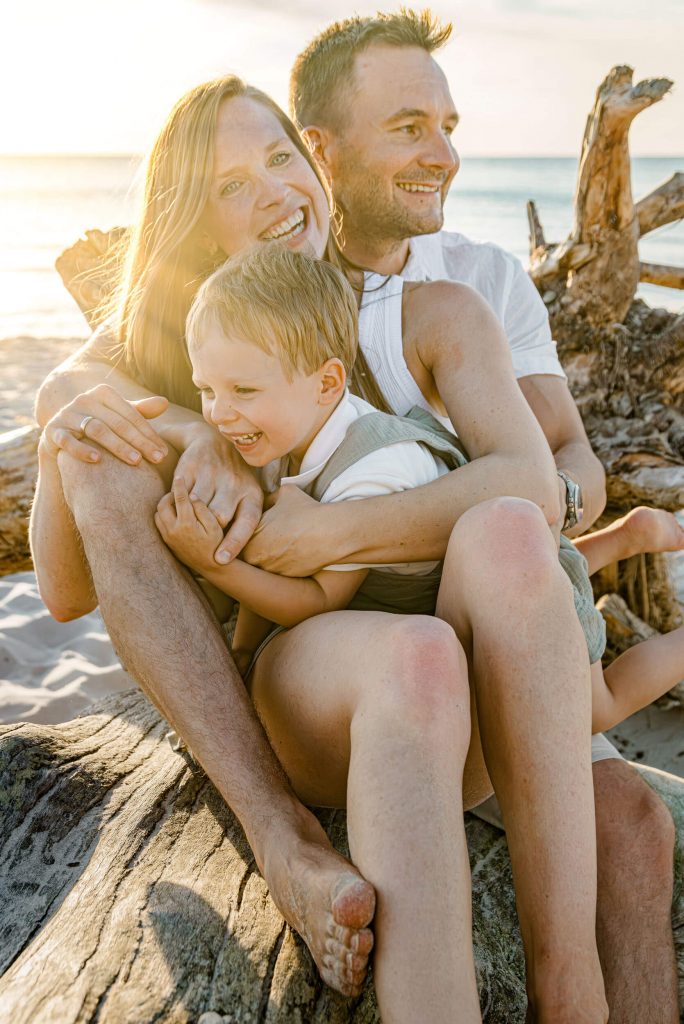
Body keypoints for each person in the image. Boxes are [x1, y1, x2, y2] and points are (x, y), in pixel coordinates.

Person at [30, 73, 616, 1021]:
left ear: (316, 164)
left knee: (508, 530)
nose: (271, 192)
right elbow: (61, 592)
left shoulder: (415, 314)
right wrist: (101, 410)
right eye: (229, 186)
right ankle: (285, 841)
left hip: (490, 688)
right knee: (414, 658)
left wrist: (322, 533)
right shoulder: (185, 357)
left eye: (279, 159)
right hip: (320, 698)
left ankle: (568, 980)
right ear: (187, 224)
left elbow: (536, 483)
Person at [280, 9, 678, 1020]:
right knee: (501, 522)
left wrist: (560, 494)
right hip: (361, 650)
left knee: (634, 815)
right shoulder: (275, 288)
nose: (445, 154)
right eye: (409, 125)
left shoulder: (485, 279)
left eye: (449, 124)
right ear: (319, 147)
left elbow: (567, 450)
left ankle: (583, 997)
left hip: (505, 603)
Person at [158, 242, 684, 739]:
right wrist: (243, 654)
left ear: (326, 384)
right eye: (206, 389)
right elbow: (282, 565)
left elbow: (313, 601)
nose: (218, 413)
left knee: (600, 707)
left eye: (242, 390)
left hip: (524, 582)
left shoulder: (368, 470)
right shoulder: (281, 438)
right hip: (462, 578)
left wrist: (215, 565)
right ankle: (624, 536)